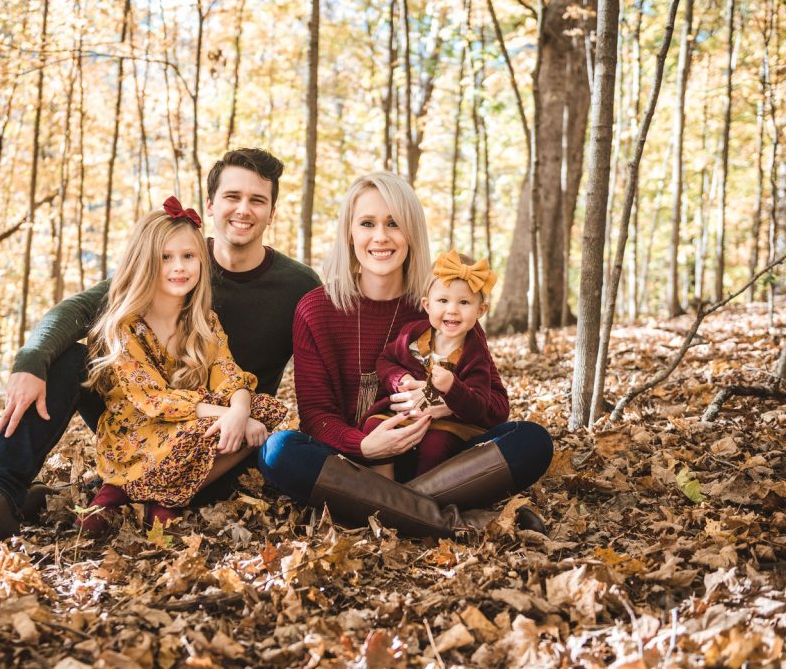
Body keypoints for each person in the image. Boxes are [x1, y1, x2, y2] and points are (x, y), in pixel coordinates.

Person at [0, 148, 320, 555]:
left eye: (257, 199)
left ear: (272, 210)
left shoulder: (299, 285)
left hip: (228, 441)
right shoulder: (169, 253)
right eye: (232, 196)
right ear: (211, 204)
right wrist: (31, 361)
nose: (243, 209)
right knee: (70, 360)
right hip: (144, 417)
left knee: (264, 418)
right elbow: (77, 310)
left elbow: (328, 363)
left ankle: (132, 490)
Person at [258, 172, 553, 538]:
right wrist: (364, 444)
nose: (380, 236)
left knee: (530, 439)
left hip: (439, 455)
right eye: (367, 223)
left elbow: (496, 406)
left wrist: (450, 402)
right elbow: (317, 416)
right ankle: (459, 521)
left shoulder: (445, 306)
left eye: (394, 223)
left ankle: (380, 509)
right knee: (279, 451)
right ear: (349, 234)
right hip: (349, 461)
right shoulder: (316, 309)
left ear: (411, 232)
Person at [74, 200, 286, 533]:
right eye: (166, 257)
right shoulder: (124, 326)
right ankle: (118, 491)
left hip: (191, 425)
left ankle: (162, 501)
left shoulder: (203, 322)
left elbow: (227, 372)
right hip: (138, 434)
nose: (179, 267)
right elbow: (152, 400)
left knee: (266, 413)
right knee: (201, 431)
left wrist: (241, 410)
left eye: (188, 256)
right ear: (145, 263)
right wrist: (227, 416)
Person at [362, 249, 508, 481]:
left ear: (481, 310)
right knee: (373, 425)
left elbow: (480, 405)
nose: (452, 309)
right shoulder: (412, 335)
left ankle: (421, 493)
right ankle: (383, 485)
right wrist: (400, 379)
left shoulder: (474, 353)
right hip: (406, 414)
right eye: (443, 300)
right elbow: (386, 360)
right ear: (427, 305)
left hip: (446, 425)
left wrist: (453, 388)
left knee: (436, 445)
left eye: (464, 302)